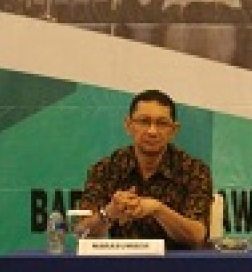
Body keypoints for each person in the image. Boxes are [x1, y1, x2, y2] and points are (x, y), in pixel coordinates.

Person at [78, 89, 213, 249]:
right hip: (123, 261)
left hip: (178, 262)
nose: (152, 131)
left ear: (173, 130)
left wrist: (158, 209)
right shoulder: (106, 169)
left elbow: (197, 236)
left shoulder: (194, 170)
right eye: (144, 121)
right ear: (128, 125)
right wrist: (110, 212)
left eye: (162, 123)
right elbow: (82, 232)